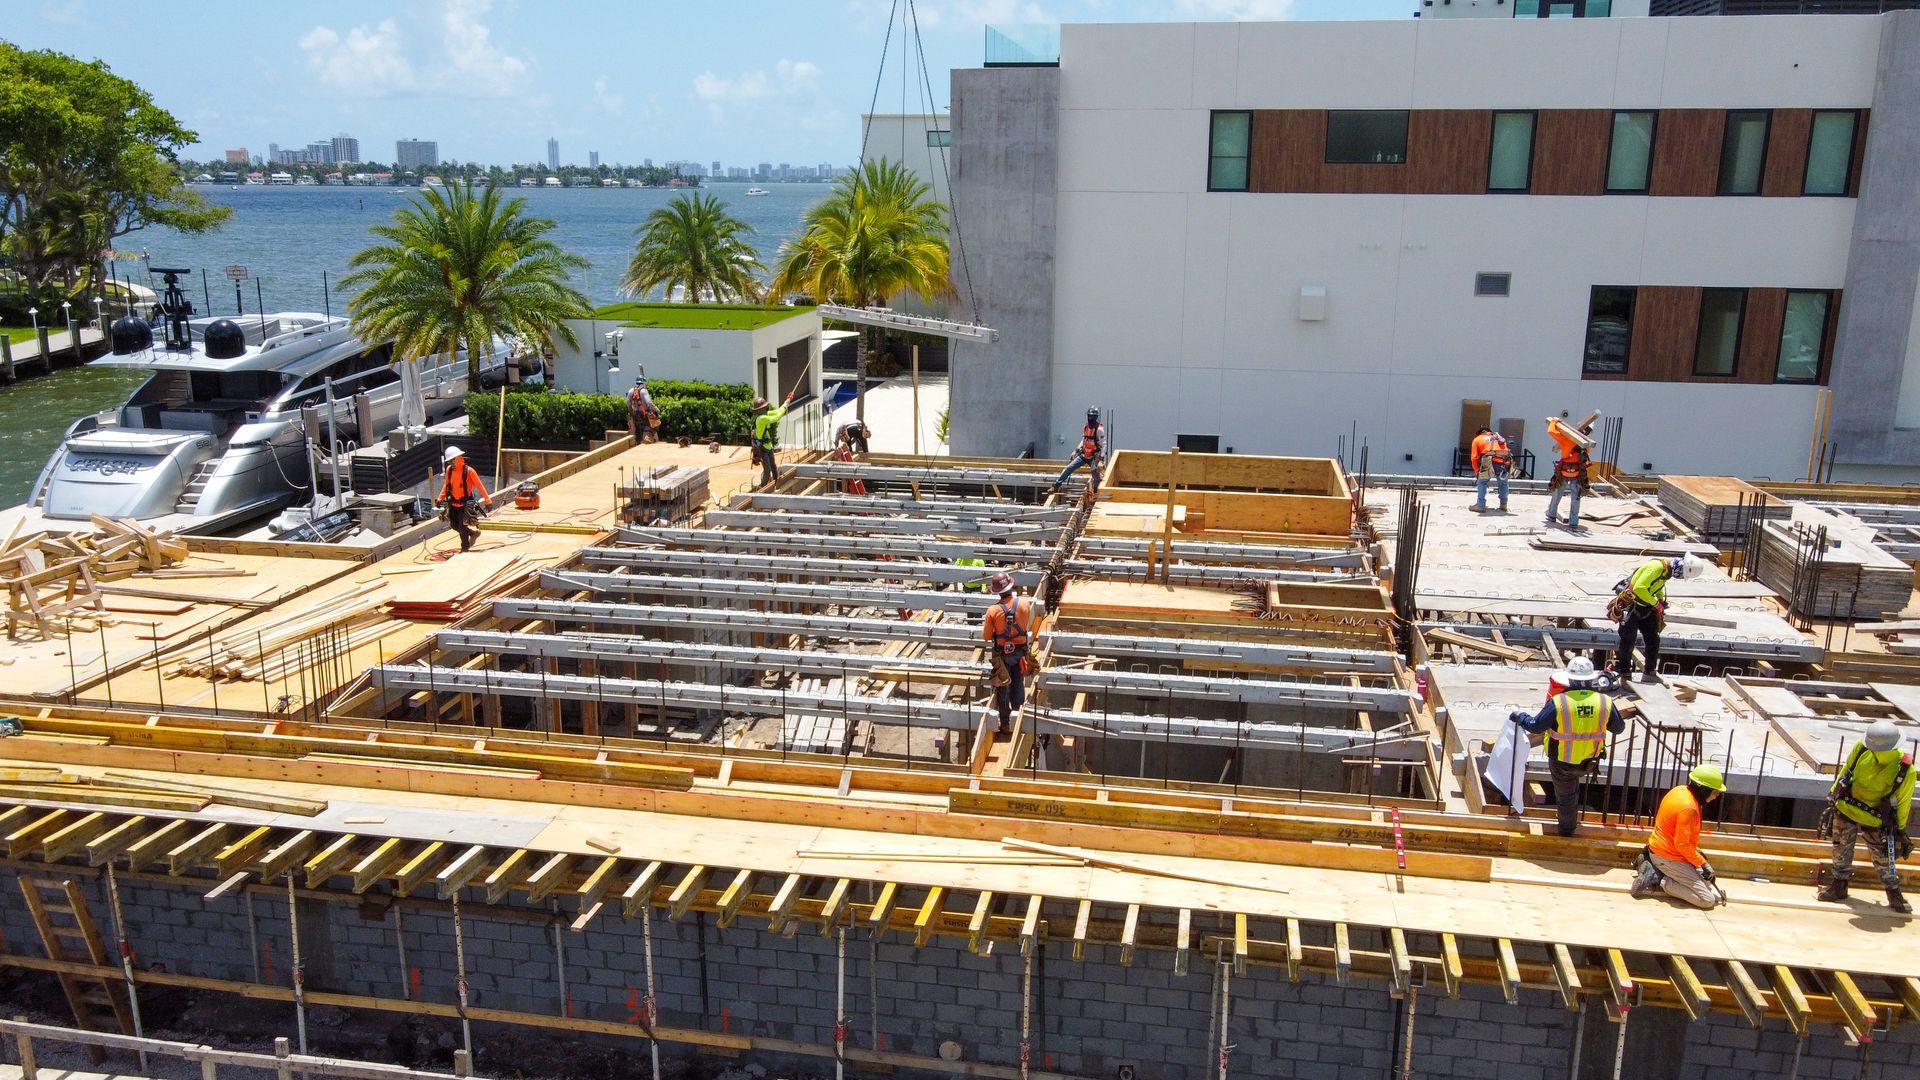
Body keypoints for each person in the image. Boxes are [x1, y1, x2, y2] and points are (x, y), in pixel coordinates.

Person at [1509, 656, 1626, 837]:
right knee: (1572, 791)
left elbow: (1535, 726)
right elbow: (1618, 728)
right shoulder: (1604, 702)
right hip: (1590, 761)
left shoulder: (1559, 702)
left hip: (1563, 762)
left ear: (1570, 679)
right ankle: (1570, 821)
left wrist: (1520, 716)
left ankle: (1567, 832)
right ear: (1591, 679)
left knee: (1566, 798)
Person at [1817, 719, 1915, 913]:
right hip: (1847, 807)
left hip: (1876, 817)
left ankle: (1892, 891)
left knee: (1882, 855)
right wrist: (1834, 793)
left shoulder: (1905, 770)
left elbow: (1903, 801)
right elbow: (1846, 770)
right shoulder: (1862, 749)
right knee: (1841, 847)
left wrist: (1899, 829)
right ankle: (1840, 885)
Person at [1630, 764, 1727, 909]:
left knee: (1705, 879)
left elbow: (1679, 836)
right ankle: (1660, 878)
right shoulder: (1689, 808)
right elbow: (1682, 845)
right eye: (1715, 792)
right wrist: (1703, 864)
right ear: (1704, 790)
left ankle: (1652, 864)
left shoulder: (1680, 791)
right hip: (1668, 857)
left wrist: (1698, 856)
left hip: (1663, 849)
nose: (1717, 796)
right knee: (1708, 900)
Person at [1614, 554, 1707, 682]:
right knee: (1628, 641)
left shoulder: (1666, 571)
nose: (1679, 577)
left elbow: (1657, 586)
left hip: (1646, 607)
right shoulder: (1656, 567)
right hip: (1633, 607)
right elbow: (1639, 588)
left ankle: (1649, 673)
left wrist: (1660, 598)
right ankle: (1625, 674)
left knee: (1653, 640)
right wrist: (1656, 604)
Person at [982, 572, 1046, 736]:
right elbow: (1026, 626)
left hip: (1002, 655)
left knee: (1003, 687)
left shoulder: (993, 610)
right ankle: (1018, 719)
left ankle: (1005, 725)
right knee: (1018, 684)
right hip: (1020, 652)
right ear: (1011, 586)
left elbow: (987, 636)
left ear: (996, 591)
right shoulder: (1024, 604)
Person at [436, 446, 489, 552]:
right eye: (449, 462)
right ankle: (473, 534)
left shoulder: (469, 471)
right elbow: (447, 485)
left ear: (458, 458)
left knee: (462, 527)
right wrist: (440, 498)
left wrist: (488, 501)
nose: (450, 464)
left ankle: (465, 548)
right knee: (454, 525)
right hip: (454, 503)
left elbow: (480, 486)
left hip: (465, 504)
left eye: (452, 461)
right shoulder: (449, 470)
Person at [1544, 415, 1592, 528]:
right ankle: (1573, 522)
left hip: (1564, 472)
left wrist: (1555, 421)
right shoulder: (1587, 445)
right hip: (1577, 473)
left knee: (1557, 493)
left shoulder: (1567, 441)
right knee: (1576, 497)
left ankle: (1551, 514)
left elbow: (1551, 431)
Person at [1051, 408, 1105, 494]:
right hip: (1084, 455)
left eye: (1092, 416)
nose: (1090, 418)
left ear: (1095, 417)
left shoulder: (1099, 429)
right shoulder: (1086, 426)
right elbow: (1084, 440)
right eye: (1089, 416)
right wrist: (1076, 451)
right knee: (1069, 468)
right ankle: (1057, 485)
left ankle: (1095, 494)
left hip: (1094, 456)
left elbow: (1103, 445)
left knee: (1096, 477)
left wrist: (1101, 461)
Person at [752, 388, 796, 488]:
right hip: (762, 448)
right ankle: (762, 488)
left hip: (768, 446)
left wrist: (787, 401)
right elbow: (776, 417)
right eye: (764, 407)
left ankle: (777, 482)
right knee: (767, 470)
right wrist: (786, 406)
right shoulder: (761, 419)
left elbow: (777, 412)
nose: (766, 408)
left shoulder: (764, 415)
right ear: (759, 410)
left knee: (773, 465)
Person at [1469, 428, 1513, 514]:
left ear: (1479, 433)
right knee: (1503, 483)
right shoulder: (1498, 437)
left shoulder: (1477, 439)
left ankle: (1480, 505)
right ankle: (1503, 505)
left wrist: (1477, 471)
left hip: (1489, 461)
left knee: (1482, 482)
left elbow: (1474, 457)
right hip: (1504, 461)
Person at [833, 425, 867, 495]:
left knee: (859, 441)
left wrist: (836, 448)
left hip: (853, 429)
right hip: (855, 428)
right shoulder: (843, 432)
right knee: (861, 441)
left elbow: (840, 441)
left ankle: (859, 452)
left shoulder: (844, 432)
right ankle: (861, 452)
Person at [627, 376, 660, 444]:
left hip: (635, 413)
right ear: (643, 383)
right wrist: (656, 409)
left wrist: (631, 411)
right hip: (645, 414)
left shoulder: (631, 391)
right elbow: (649, 403)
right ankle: (655, 443)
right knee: (653, 427)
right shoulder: (644, 391)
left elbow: (628, 402)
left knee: (638, 430)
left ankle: (638, 443)